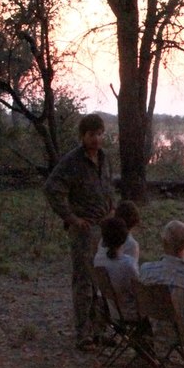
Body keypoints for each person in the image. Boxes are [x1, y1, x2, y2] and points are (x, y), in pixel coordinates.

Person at [44, 114, 116, 350]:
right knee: (84, 281)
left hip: (104, 228)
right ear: (83, 136)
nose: (97, 139)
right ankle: (83, 334)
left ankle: (99, 330)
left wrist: (112, 209)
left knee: (102, 280)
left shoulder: (104, 158)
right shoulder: (72, 161)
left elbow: (108, 187)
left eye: (100, 134)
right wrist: (71, 218)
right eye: (92, 135)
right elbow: (52, 189)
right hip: (84, 230)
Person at [94, 216, 140, 319]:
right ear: (124, 238)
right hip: (130, 314)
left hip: (111, 312)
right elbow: (138, 291)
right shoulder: (128, 264)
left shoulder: (98, 260)